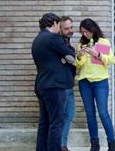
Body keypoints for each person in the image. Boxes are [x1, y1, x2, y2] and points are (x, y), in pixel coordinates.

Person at [32, 13, 76, 151]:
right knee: (57, 123)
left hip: (41, 85)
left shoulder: (38, 39)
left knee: (44, 123)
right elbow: (70, 55)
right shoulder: (53, 37)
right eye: (59, 26)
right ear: (55, 24)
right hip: (55, 86)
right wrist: (66, 57)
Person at [75, 18, 115, 151]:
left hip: (100, 82)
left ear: (93, 30)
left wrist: (97, 54)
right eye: (82, 32)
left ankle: (111, 143)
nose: (84, 34)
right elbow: (78, 65)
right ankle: (94, 144)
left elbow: (111, 60)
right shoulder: (81, 43)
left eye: (86, 32)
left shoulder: (102, 42)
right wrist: (80, 56)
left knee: (103, 112)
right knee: (90, 113)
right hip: (85, 82)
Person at [60, 17, 76, 150]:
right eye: (67, 28)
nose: (70, 30)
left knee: (69, 115)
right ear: (59, 29)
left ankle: (62, 144)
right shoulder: (59, 43)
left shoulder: (68, 43)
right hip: (62, 86)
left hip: (69, 85)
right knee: (64, 116)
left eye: (71, 27)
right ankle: (61, 145)